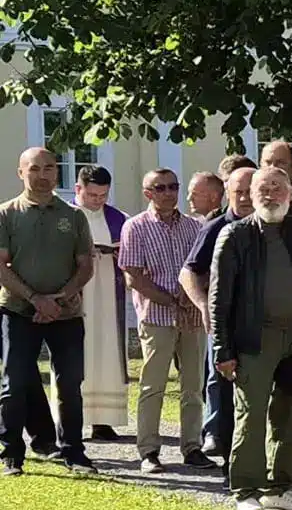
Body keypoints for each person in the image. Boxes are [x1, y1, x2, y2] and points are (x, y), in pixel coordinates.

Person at [209, 167, 292, 510]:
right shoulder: (234, 235)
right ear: (250, 193)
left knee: (291, 417)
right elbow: (219, 298)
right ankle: (245, 490)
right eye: (263, 188)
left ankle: (280, 487)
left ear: (290, 194)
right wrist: (222, 349)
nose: (270, 194)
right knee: (251, 415)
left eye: (277, 187)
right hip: (253, 341)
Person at [0, 147, 95, 475]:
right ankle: (12, 453)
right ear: (21, 172)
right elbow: (1, 266)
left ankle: (74, 453)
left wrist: (59, 298)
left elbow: (85, 266)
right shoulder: (7, 214)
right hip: (17, 311)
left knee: (69, 385)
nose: (43, 175)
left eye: (50, 168)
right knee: (14, 382)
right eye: (35, 168)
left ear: (57, 172)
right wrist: (34, 299)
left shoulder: (74, 216)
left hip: (66, 314)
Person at [118, 168, 211, 472]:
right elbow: (133, 277)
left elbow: (202, 268)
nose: (168, 193)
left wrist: (192, 297)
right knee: (152, 386)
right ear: (148, 193)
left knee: (193, 386)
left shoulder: (194, 227)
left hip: (192, 317)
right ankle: (148, 451)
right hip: (157, 316)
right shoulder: (135, 227)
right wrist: (172, 300)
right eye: (160, 188)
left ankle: (192, 446)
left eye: (173, 186)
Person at [183, 167, 256, 458]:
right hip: (225, 320)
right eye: (239, 192)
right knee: (220, 380)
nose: (245, 198)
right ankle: (216, 436)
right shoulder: (215, 227)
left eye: (250, 191)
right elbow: (188, 273)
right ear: (227, 193)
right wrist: (203, 306)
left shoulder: (275, 226)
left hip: (265, 322)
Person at [71, 166, 128, 439]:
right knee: (75, 355)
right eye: (92, 195)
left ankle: (104, 420)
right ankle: (71, 419)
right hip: (76, 295)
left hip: (109, 296)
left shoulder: (119, 219)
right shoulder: (65, 217)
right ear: (78, 189)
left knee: (108, 351)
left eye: (103, 195)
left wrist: (117, 254)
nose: (98, 201)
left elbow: (131, 255)